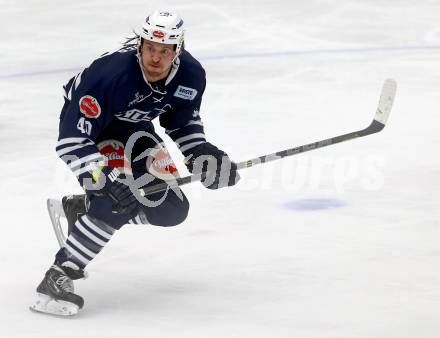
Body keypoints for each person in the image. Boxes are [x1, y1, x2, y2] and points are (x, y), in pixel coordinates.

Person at [30, 9, 240, 316]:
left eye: (164, 51)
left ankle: (84, 210)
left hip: (135, 130)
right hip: (94, 134)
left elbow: (181, 123)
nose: (155, 59)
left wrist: (204, 155)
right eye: (150, 49)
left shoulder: (191, 76)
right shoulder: (110, 75)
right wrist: (104, 181)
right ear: (140, 45)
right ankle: (60, 273)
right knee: (115, 198)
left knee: (171, 210)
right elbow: (71, 140)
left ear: (177, 50)